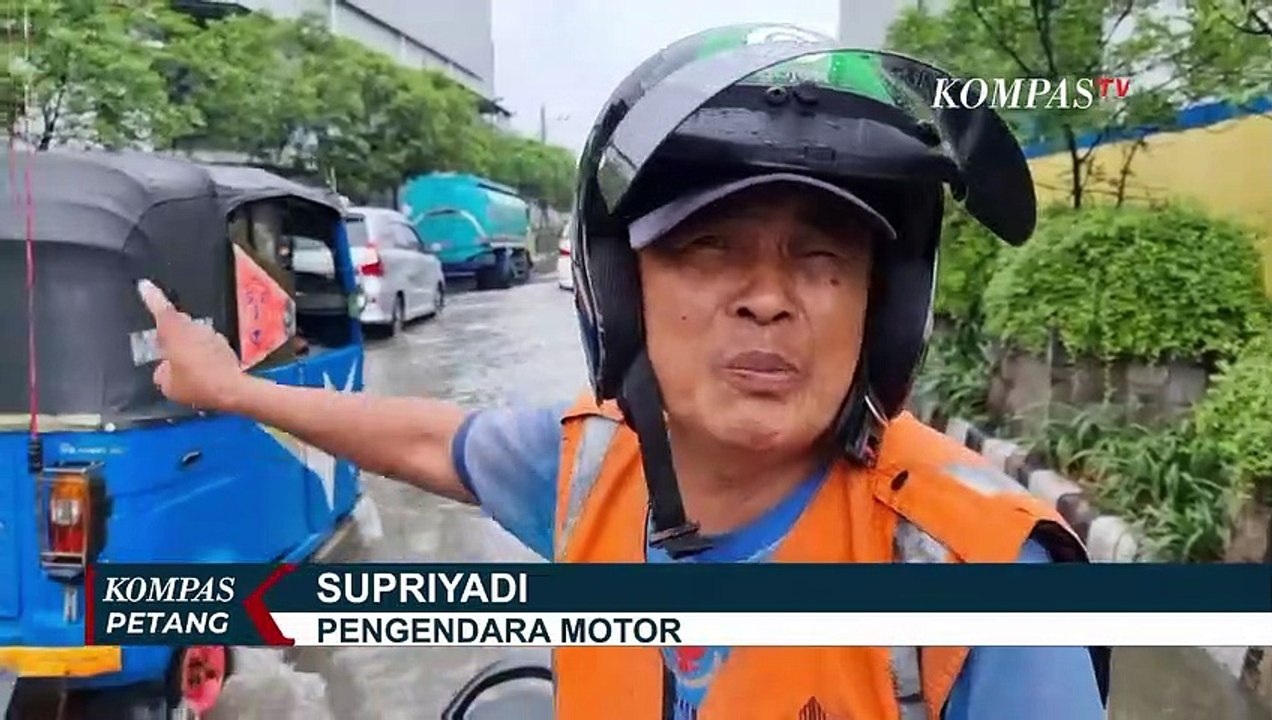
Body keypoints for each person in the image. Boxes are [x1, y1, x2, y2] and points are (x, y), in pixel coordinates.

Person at [138, 25, 1109, 720]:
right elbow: (432, 439)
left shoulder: (983, 577)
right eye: (709, 247)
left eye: (823, 259)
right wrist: (231, 390)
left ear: (882, 312)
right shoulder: (593, 467)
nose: (768, 298)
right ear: (620, 292)